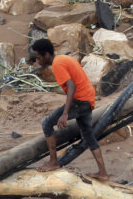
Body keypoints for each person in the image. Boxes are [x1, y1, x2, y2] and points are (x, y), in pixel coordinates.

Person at [31, 38, 109, 181]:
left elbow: (71, 86)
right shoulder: (62, 58)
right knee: (88, 135)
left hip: (80, 100)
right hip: (88, 98)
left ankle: (53, 162)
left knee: (47, 123)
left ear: (47, 55)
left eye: (38, 57)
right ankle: (103, 173)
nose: (37, 61)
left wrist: (65, 113)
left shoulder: (57, 64)